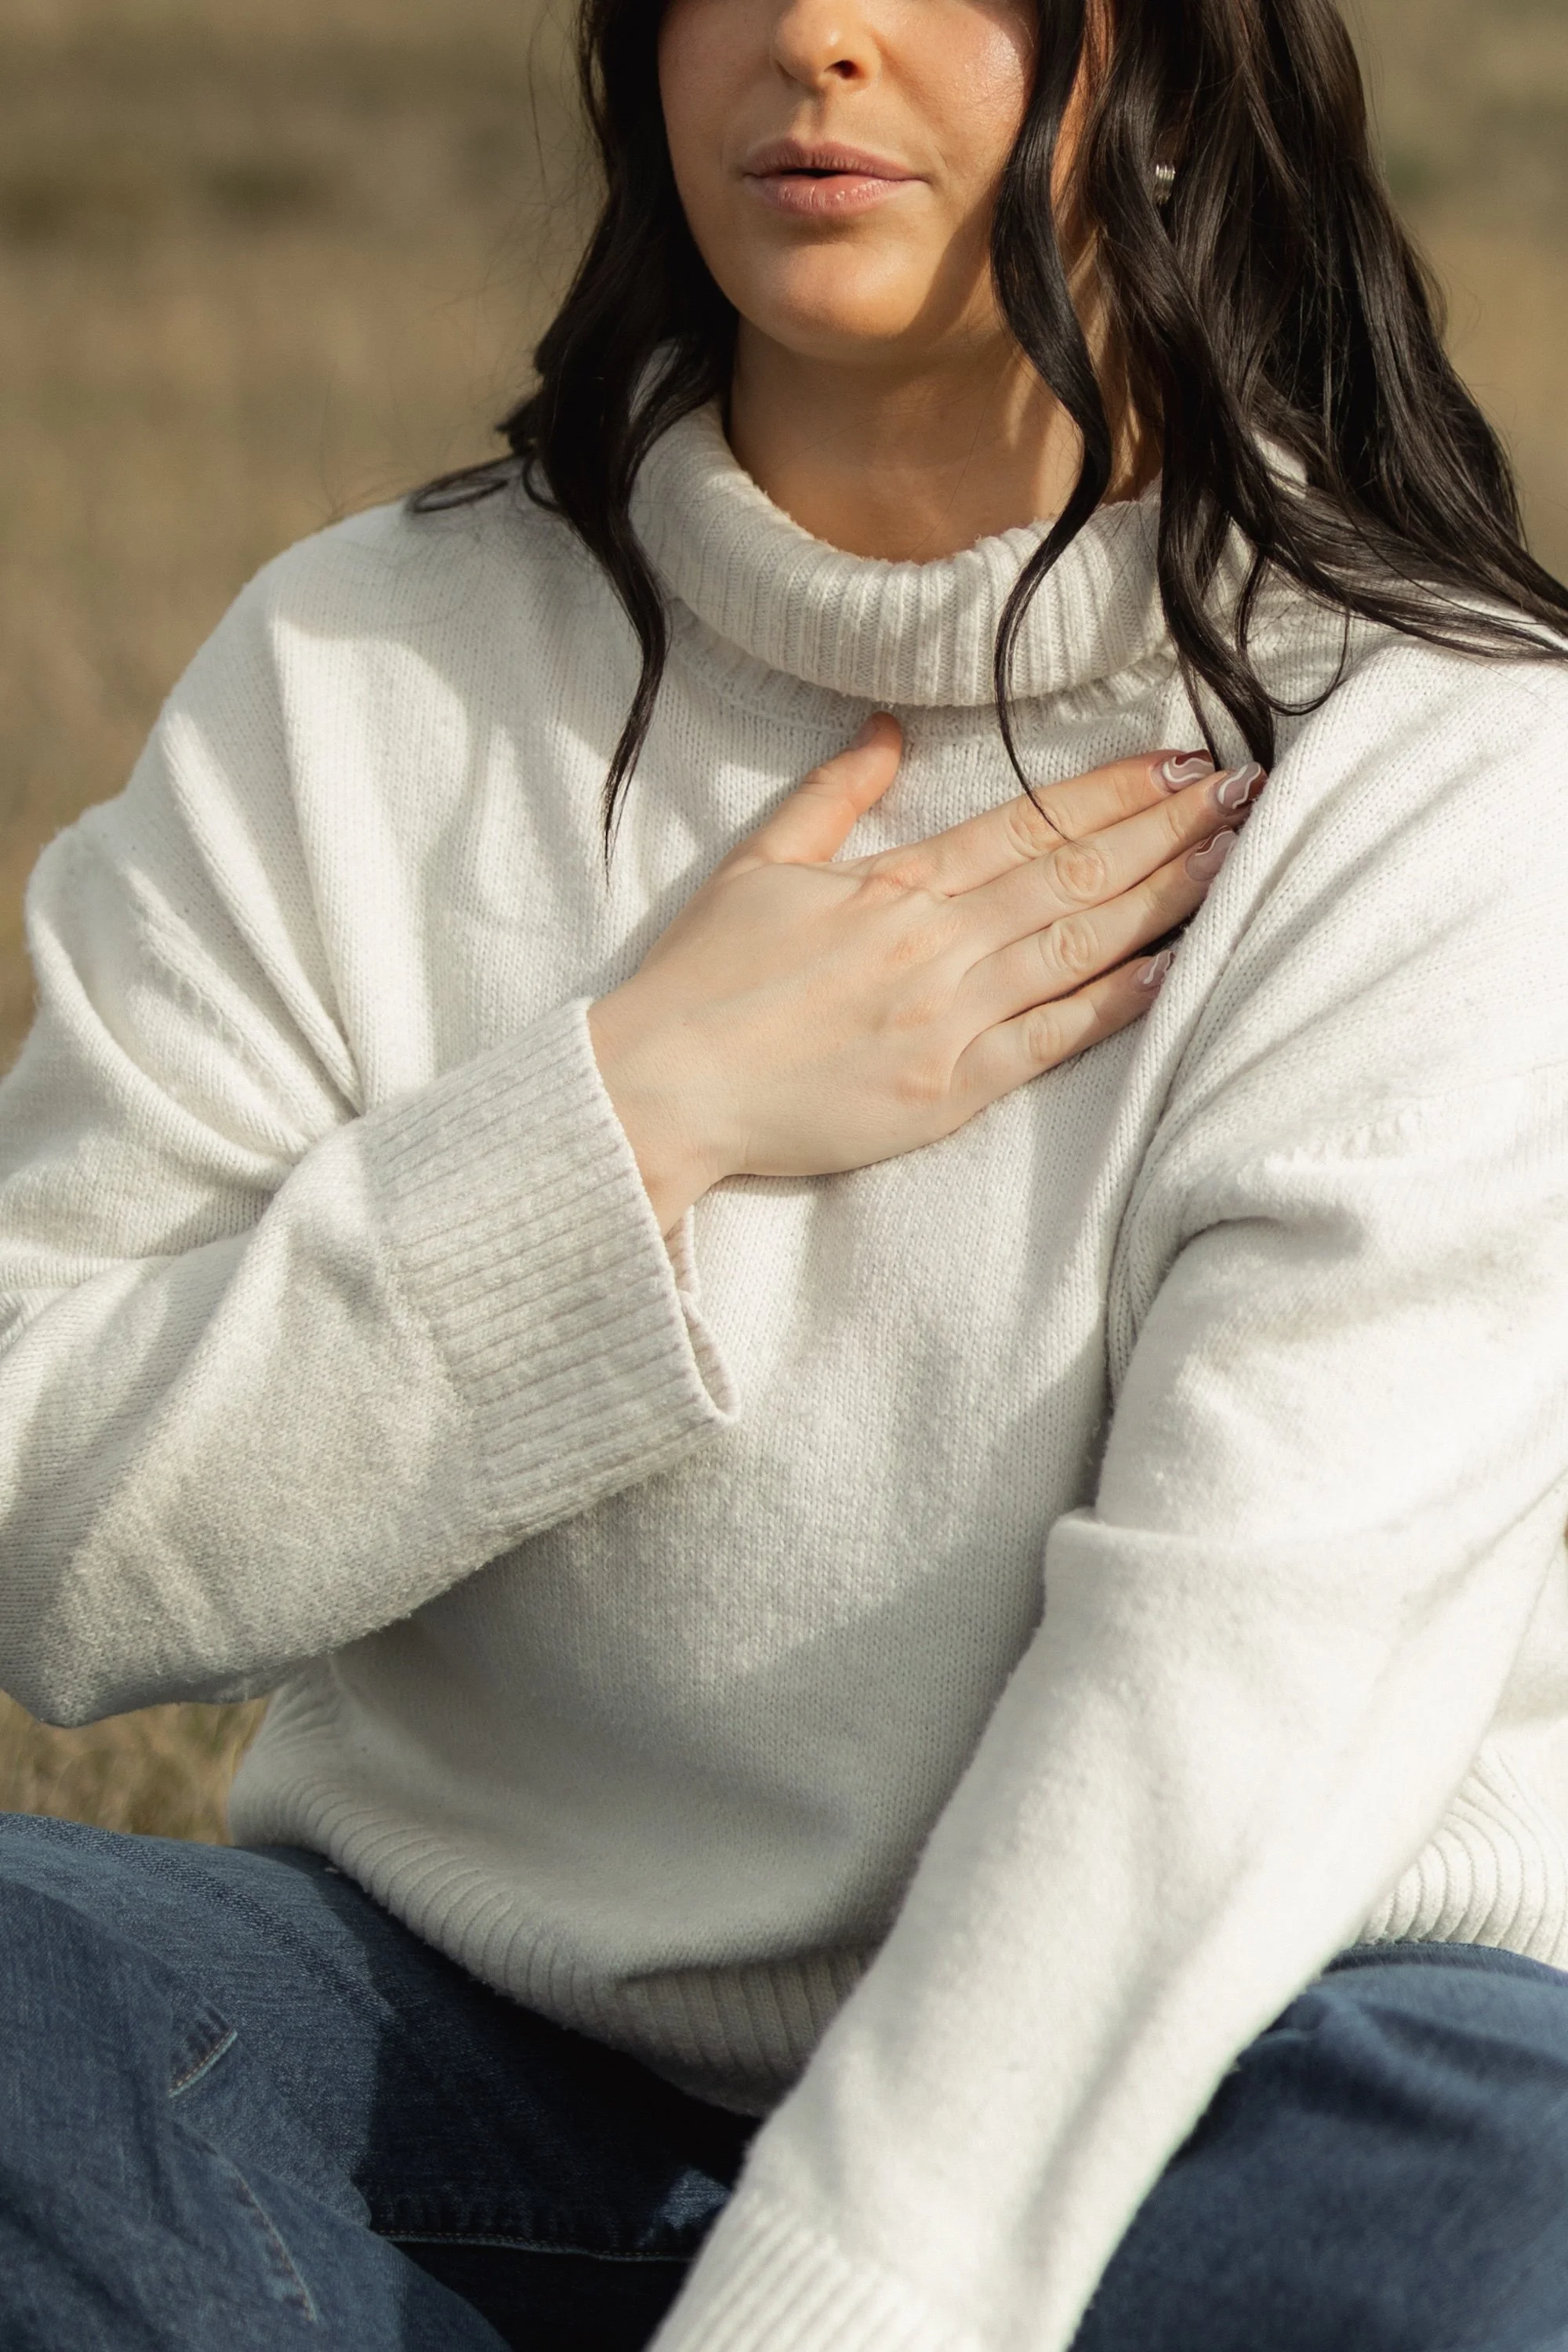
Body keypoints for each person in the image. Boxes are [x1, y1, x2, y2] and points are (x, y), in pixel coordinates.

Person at [2, 0, 1568, 2343]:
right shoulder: (360, 668)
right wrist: (638, 1119)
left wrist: (828, 2303)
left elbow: (1226, 1693)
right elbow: (46, 1521)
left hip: (1252, 2052)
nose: (819, 35)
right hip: (474, 2053)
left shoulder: (1438, 763)